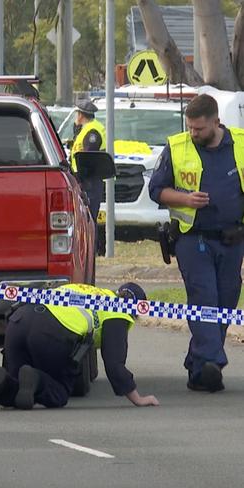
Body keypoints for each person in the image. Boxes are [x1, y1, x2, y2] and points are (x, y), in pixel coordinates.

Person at [148, 93, 244, 393]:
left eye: (199, 129)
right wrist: (185, 199)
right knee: (205, 299)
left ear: (216, 122)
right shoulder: (177, 147)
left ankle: (198, 366)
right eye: (189, 127)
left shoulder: (240, 143)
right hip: (193, 238)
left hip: (232, 239)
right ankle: (213, 363)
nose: (193, 133)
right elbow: (156, 190)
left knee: (226, 302)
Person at [0, 283, 159, 410]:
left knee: (15, 387)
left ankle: (3, 380)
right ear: (136, 309)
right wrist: (138, 399)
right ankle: (35, 378)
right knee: (59, 391)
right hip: (50, 332)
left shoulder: (88, 290)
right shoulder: (119, 311)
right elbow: (114, 363)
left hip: (18, 321)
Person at [70, 100, 107, 223]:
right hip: (87, 181)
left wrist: (80, 179)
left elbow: (88, 158)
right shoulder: (87, 129)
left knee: (89, 220)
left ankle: (93, 243)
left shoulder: (92, 132)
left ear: (80, 115)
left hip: (90, 181)